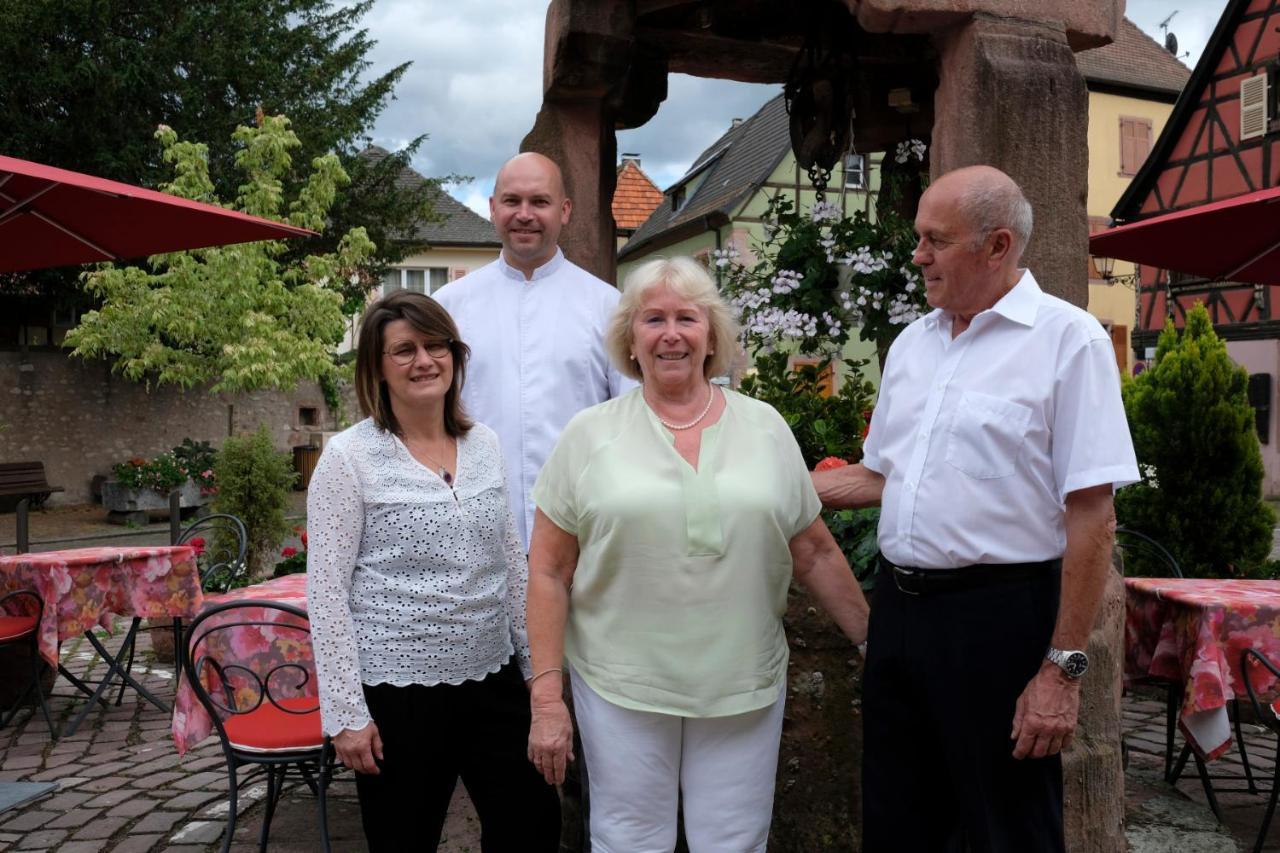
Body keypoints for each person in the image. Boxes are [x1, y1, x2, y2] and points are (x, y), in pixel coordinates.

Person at [813, 165, 1139, 852]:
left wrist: (1062, 670)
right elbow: (882, 475)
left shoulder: (1068, 341)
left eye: (935, 239)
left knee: (1007, 828)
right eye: (918, 237)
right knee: (897, 821)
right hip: (899, 616)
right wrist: (773, 480)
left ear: (996, 246)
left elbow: (1093, 517)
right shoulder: (914, 343)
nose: (918, 254)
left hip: (999, 621)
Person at [525, 256, 870, 852]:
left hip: (742, 681)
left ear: (711, 334)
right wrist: (547, 698)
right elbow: (549, 571)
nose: (671, 334)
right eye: (653, 319)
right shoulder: (588, 434)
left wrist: (874, 643)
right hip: (620, 683)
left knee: (734, 841)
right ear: (630, 338)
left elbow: (813, 550)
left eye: (687, 317)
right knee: (628, 840)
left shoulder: (764, 426)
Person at [306, 291, 560, 852]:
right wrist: (346, 714)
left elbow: (513, 572)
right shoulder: (349, 459)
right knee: (404, 840)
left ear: (455, 355)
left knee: (533, 824)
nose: (424, 360)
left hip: (493, 683)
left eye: (436, 344)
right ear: (376, 366)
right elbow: (325, 595)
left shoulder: (485, 444)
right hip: (398, 695)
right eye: (404, 350)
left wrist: (538, 681)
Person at [433, 151, 635, 551]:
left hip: (584, 528)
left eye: (539, 202)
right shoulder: (448, 308)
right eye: (512, 201)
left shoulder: (609, 307)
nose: (524, 214)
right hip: (474, 532)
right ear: (493, 209)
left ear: (564, 210)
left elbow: (632, 418)